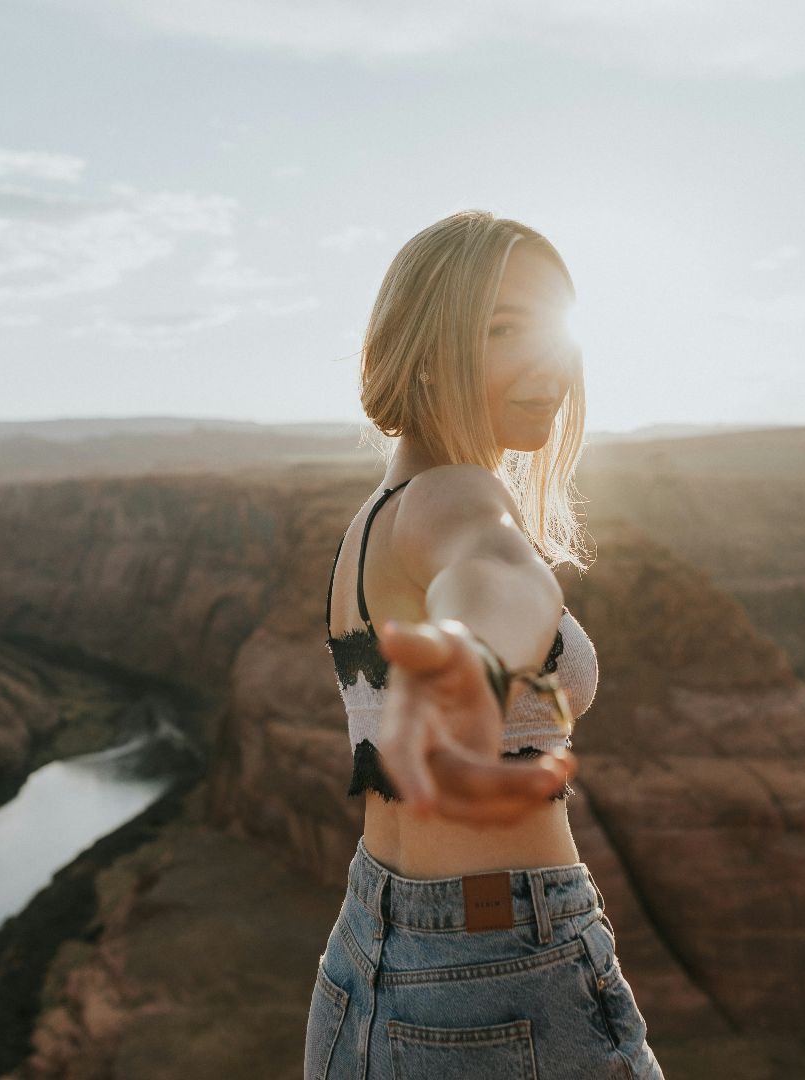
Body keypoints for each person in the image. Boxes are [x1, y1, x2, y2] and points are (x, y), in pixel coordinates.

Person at [305, 210, 664, 1079]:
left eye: (555, 329)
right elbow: (497, 573)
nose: (550, 363)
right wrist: (476, 654)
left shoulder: (379, 518)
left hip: (369, 963)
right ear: (426, 345)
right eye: (504, 329)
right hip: (505, 983)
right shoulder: (458, 496)